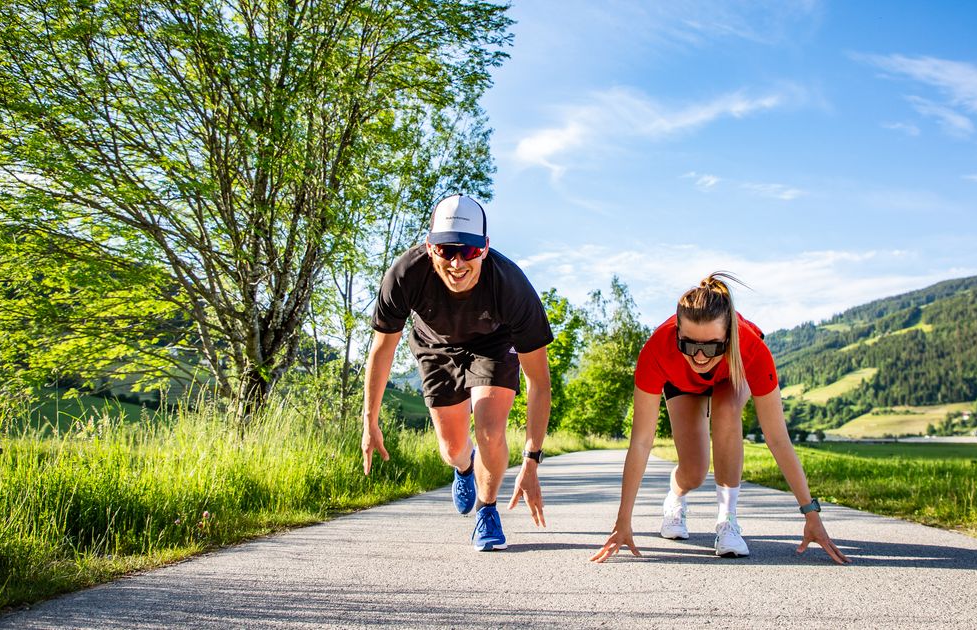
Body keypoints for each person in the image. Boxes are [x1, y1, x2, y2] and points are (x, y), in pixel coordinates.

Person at [590, 272, 849, 564]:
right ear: (677, 335)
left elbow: (777, 438)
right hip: (682, 383)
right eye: (689, 345)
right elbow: (640, 441)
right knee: (695, 472)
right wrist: (623, 520)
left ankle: (727, 521)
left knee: (727, 411)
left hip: (731, 373)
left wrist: (810, 513)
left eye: (711, 346)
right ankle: (674, 497)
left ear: (729, 337)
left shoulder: (752, 350)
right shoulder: (657, 350)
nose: (700, 356)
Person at [361, 194, 554, 552]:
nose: (457, 262)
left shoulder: (511, 286)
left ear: (485, 248)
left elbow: (539, 382)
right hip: (434, 346)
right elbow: (383, 349)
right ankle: (464, 468)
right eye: (446, 250)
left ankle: (487, 508)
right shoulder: (405, 275)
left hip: (493, 344)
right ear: (429, 246)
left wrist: (531, 460)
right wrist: (370, 421)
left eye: (469, 251)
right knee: (451, 448)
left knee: (490, 430)